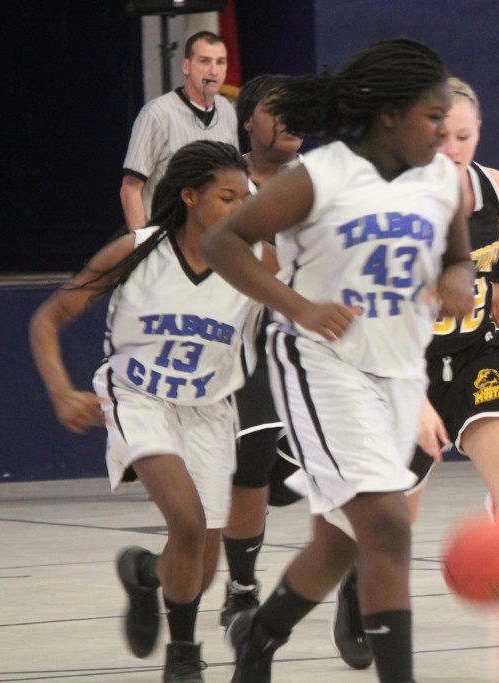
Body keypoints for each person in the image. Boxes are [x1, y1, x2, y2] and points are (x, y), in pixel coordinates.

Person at [200, 39, 475, 683]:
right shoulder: (320, 175)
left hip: (401, 369)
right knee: (386, 527)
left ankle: (259, 637)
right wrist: (296, 305)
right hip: (322, 362)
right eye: (433, 118)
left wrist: (459, 278)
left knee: (341, 542)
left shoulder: (442, 180)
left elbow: (458, 256)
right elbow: (223, 241)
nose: (444, 132)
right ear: (388, 114)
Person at [332, 76, 499, 678]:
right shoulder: (390, 198)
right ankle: (352, 585)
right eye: (441, 134)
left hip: (477, 359)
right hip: (403, 367)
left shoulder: (493, 188)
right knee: (396, 516)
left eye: (464, 135)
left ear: (477, 135)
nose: (452, 147)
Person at [29, 140, 275, 682]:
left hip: (210, 408)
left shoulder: (257, 260)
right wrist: (61, 391)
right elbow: (49, 317)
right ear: (189, 196)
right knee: (186, 521)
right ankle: (183, 655)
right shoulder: (136, 250)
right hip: (138, 400)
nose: (240, 208)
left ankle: (145, 575)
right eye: (227, 197)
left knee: (200, 568)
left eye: (246, 198)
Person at [219, 74, 306, 630]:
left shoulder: (322, 179)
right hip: (246, 339)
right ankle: (242, 589)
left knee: (298, 477)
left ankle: (351, 576)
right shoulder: (222, 182)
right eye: (277, 111)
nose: (290, 120)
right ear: (248, 119)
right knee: (252, 461)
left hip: (314, 342)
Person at [120, 31, 238, 231]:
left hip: (212, 239)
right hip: (166, 236)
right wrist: (143, 246)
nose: (213, 71)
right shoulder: (156, 114)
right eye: (204, 61)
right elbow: (130, 188)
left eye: (220, 62)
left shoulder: (227, 110)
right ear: (186, 66)